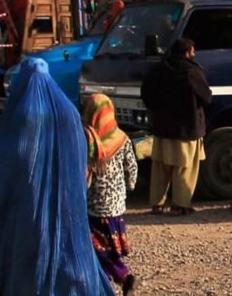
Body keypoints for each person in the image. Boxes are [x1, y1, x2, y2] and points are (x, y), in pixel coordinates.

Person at [0, 58, 114, 296]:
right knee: (72, 254)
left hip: (27, 213)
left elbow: (7, 172)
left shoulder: (19, 117)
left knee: (31, 264)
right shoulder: (68, 112)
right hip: (70, 208)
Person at [141, 38, 212, 216]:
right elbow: (206, 97)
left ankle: (157, 204)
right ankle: (180, 205)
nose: (194, 54)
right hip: (187, 129)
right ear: (187, 52)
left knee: (159, 168)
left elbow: (145, 93)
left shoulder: (157, 70)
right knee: (185, 168)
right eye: (193, 51)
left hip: (161, 128)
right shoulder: (192, 72)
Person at [83, 93, 138, 295]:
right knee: (104, 248)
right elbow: (131, 167)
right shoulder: (122, 138)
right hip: (115, 206)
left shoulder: (87, 139)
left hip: (95, 206)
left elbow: (84, 175)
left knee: (96, 248)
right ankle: (107, 282)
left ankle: (121, 276)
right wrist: (128, 187)